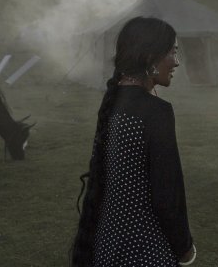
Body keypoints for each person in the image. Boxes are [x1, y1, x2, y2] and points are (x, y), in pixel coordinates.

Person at [70, 16, 196, 266]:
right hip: (145, 250)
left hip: (106, 246)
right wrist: (184, 247)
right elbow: (167, 194)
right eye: (173, 52)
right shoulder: (155, 112)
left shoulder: (113, 103)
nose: (176, 62)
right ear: (150, 57)